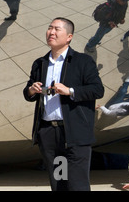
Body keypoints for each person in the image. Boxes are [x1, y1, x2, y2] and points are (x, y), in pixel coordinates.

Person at [23, 17, 104, 191]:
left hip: (74, 134)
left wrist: (70, 91)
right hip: (50, 134)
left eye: (57, 29)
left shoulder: (82, 61)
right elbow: (27, 93)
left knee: (77, 185)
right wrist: (31, 89)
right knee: (59, 183)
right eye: (50, 28)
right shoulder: (40, 63)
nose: (51, 32)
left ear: (69, 37)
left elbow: (97, 90)